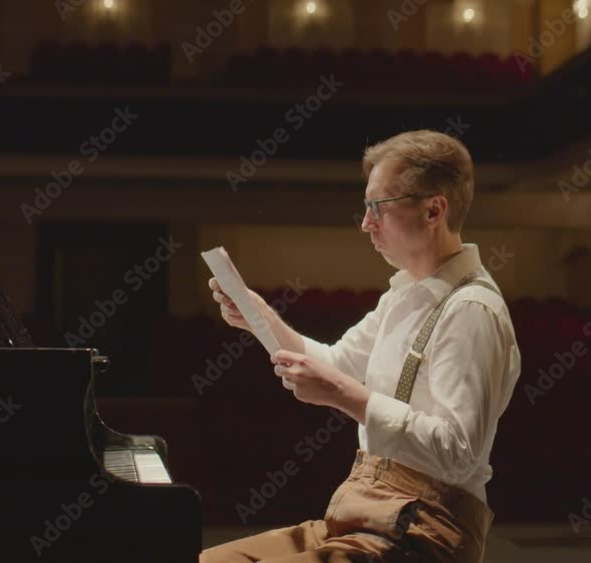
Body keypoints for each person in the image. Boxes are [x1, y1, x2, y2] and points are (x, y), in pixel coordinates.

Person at [202, 130, 521, 563]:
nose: (366, 223)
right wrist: (261, 317)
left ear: (434, 209)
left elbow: (458, 454)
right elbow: (336, 363)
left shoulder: (472, 310)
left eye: (378, 207)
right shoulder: (404, 295)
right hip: (372, 510)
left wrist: (342, 394)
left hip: (430, 530)